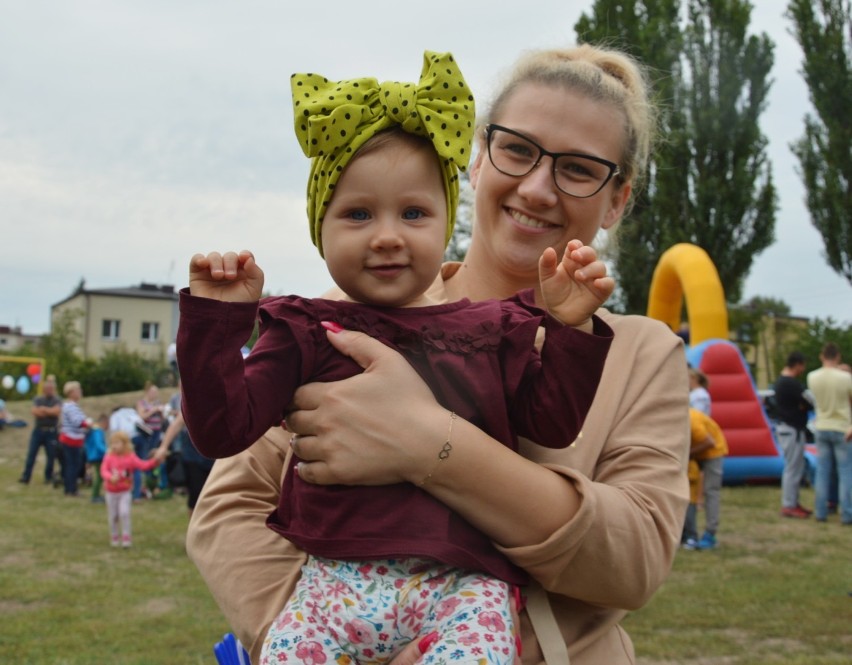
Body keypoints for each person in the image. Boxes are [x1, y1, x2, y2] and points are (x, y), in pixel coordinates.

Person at [185, 43, 690, 665]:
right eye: (518, 149)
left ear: (618, 199)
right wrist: (333, 647)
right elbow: (228, 509)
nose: (537, 188)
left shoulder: (640, 351)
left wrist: (427, 441)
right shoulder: (337, 319)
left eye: (580, 169)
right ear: (476, 158)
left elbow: (633, 558)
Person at [806, 342, 852, 524]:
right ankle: (847, 513)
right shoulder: (845, 378)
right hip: (842, 427)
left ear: (821, 356)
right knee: (845, 472)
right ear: (838, 356)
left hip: (821, 426)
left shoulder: (812, 376)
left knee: (823, 472)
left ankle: (820, 512)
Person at [154, 383, 214, 517]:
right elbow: (175, 425)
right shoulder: (192, 404)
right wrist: (163, 447)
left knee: (216, 496)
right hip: (193, 456)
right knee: (196, 495)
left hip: (217, 457)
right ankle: (195, 534)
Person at [100, 430, 166, 547]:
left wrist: (155, 461)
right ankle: (114, 535)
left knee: (124, 513)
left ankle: (126, 536)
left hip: (124, 492)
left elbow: (143, 465)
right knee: (113, 515)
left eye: (117, 443)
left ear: (125, 444)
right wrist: (110, 477)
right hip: (111, 492)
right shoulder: (109, 457)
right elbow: (103, 470)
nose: (114, 446)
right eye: (112, 443)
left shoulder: (130, 457)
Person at [774, 351, 813, 518]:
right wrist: (803, 407)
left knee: (794, 467)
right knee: (793, 468)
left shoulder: (779, 382)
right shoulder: (791, 384)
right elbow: (810, 401)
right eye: (802, 366)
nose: (802, 369)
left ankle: (793, 502)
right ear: (798, 364)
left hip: (786, 428)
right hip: (792, 430)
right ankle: (789, 504)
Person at [682, 408, 728, 550]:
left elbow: (709, 442)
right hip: (696, 452)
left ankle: (710, 534)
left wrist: (688, 453)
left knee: (711, 491)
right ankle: (687, 533)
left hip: (713, 452)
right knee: (689, 489)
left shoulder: (691, 422)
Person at [18, 374, 61, 485]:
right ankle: (26, 476)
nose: (49, 391)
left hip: (51, 431)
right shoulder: (38, 399)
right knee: (31, 454)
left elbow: (56, 412)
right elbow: (35, 412)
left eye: (51, 389)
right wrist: (49, 411)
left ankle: (48, 477)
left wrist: (44, 409)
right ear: (43, 389)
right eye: (47, 389)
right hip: (38, 431)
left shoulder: (57, 400)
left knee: (51, 456)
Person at [133, 383, 165, 500]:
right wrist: (154, 410)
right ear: (147, 392)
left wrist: (161, 412)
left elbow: (162, 419)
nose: (154, 394)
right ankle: (144, 485)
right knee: (145, 457)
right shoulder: (141, 403)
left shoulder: (158, 403)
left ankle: (154, 482)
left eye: (156, 392)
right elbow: (141, 416)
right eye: (152, 392)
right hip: (146, 434)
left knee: (154, 456)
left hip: (157, 433)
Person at [58, 381, 90, 497]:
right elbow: (78, 422)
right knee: (73, 465)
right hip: (71, 440)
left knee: (72, 465)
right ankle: (71, 489)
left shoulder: (72, 406)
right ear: (71, 393)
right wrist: (88, 424)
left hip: (74, 440)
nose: (80, 392)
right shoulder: (70, 407)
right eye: (78, 390)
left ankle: (70, 488)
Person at [85, 413, 109, 503]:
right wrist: (107, 452)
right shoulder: (98, 431)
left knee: (99, 476)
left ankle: (97, 495)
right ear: (104, 423)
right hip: (97, 456)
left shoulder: (93, 430)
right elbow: (99, 444)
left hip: (92, 455)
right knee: (100, 476)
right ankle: (95, 496)